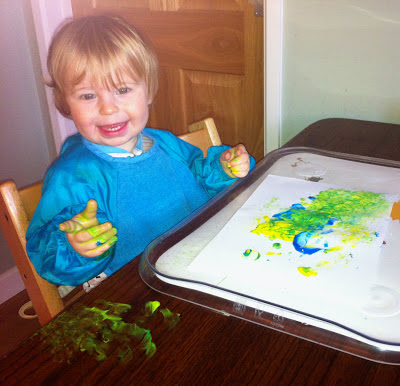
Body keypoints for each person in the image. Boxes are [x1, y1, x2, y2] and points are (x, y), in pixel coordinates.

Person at [26, 15, 255, 292]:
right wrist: (77, 245)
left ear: (148, 91)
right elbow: (44, 254)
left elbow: (200, 175)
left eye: (122, 90)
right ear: (65, 102)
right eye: (88, 96)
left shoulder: (165, 143)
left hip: (201, 262)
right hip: (137, 294)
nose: (108, 108)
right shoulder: (72, 177)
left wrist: (222, 169)